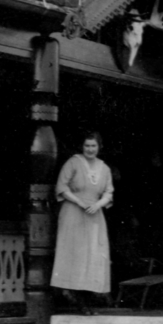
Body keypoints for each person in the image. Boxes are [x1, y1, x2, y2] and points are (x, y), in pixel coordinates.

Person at [51, 132, 114, 314]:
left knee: (93, 255)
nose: (90, 149)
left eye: (93, 146)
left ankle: (87, 298)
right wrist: (79, 202)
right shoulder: (73, 163)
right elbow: (61, 187)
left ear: (99, 147)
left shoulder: (104, 168)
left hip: (94, 215)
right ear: (82, 146)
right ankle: (72, 295)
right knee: (74, 254)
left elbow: (108, 193)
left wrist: (98, 204)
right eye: (87, 146)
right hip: (73, 212)